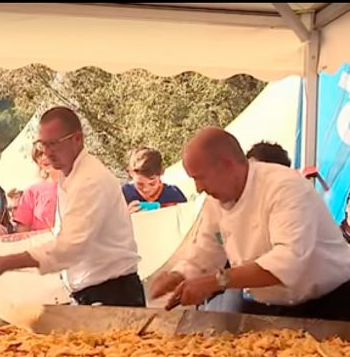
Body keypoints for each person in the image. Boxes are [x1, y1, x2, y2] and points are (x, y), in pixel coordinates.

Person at [149, 127, 350, 321]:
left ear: (227, 164)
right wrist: (178, 275)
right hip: (271, 306)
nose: (198, 188)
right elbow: (207, 250)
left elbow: (288, 261)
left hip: (331, 304)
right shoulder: (216, 201)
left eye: (200, 178)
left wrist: (217, 281)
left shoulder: (284, 187)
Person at [0, 107, 144, 307]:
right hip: (96, 290)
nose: (47, 152)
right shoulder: (69, 174)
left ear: (77, 139)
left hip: (113, 293)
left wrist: (6, 262)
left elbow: (69, 247)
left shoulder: (90, 180)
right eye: (42, 144)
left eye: (54, 144)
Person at [121, 147, 186, 213]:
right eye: (140, 184)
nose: (146, 189)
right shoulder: (124, 194)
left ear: (160, 174)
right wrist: (126, 215)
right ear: (131, 174)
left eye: (152, 183)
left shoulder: (173, 194)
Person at [13, 144, 60, 232]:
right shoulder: (31, 192)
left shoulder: (81, 185)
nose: (43, 158)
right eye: (39, 155)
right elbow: (22, 231)